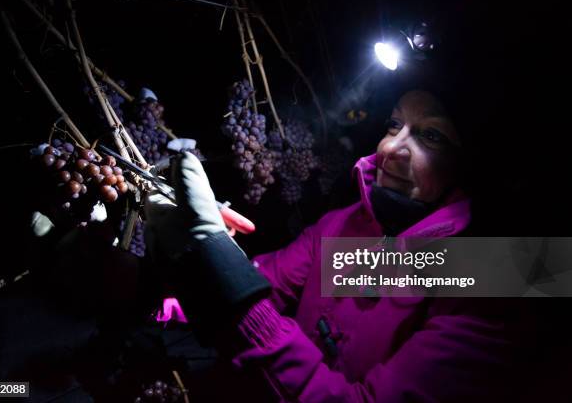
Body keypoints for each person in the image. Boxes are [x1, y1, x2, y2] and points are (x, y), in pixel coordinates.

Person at [144, 89, 536, 402]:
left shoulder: (500, 277)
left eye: (430, 135)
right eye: (393, 124)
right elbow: (269, 282)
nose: (388, 149)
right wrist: (195, 264)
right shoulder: (344, 225)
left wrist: (219, 259)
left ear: (468, 164)